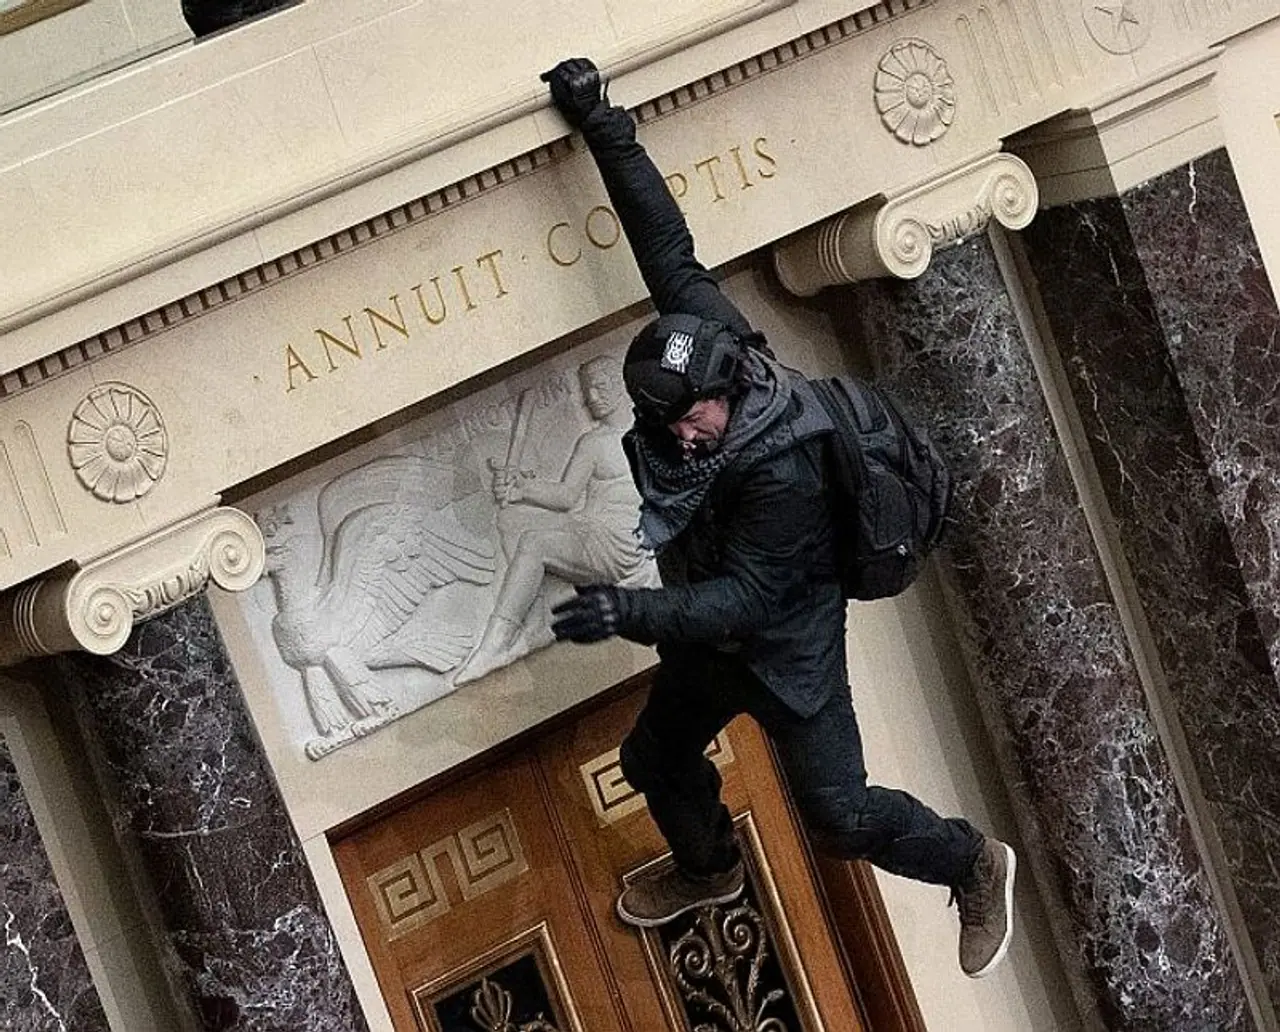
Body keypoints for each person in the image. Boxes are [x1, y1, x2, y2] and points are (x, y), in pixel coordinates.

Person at [541, 58, 1016, 979]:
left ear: (728, 390)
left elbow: (743, 602)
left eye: (693, 420)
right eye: (665, 423)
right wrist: (604, 125)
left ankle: (970, 860)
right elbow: (666, 248)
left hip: (785, 649)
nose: (681, 439)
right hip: (709, 644)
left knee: (838, 818)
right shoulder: (711, 341)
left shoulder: (782, 467)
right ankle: (709, 868)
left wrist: (626, 612)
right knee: (653, 757)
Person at [455, 356, 658, 685]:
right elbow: (565, 496)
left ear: (622, 386)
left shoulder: (651, 431)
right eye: (587, 389)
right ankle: (537, 615)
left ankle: (494, 646)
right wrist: (521, 488)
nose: (593, 395)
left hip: (622, 541)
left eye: (601, 385)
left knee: (535, 542)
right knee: (510, 518)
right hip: (592, 529)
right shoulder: (592, 442)